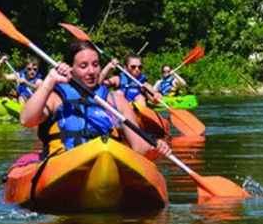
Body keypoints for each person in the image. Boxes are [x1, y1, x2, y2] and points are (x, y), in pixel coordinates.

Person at [20, 40, 171, 159]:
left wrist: (156, 147)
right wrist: (50, 81)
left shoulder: (115, 100)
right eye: (83, 66)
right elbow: (26, 120)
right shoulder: (56, 98)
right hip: (64, 165)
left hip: (106, 164)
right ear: (70, 68)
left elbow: (140, 148)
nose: (92, 71)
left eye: (96, 65)